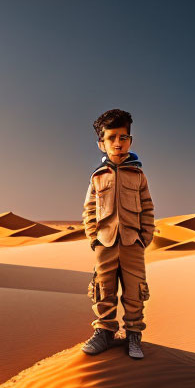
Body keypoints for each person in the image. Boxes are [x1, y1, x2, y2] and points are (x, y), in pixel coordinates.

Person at [81, 108, 156, 359]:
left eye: (123, 137)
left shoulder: (138, 174)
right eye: (111, 138)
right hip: (105, 242)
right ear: (101, 144)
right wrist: (94, 237)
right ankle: (104, 331)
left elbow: (147, 207)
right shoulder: (97, 177)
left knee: (135, 290)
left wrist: (144, 236)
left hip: (132, 242)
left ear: (130, 141)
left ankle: (134, 334)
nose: (118, 143)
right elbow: (89, 209)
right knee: (104, 288)